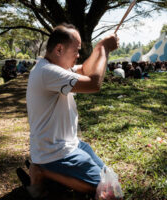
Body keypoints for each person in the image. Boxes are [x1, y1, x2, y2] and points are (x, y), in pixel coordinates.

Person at [22, 23, 118, 197]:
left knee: (109, 178)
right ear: (59, 49)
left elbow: (85, 70)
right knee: (106, 190)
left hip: (70, 144)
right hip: (53, 152)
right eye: (76, 50)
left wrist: (98, 49)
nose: (79, 55)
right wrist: (104, 48)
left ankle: (51, 178)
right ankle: (42, 171)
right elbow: (93, 83)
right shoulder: (47, 72)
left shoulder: (54, 68)